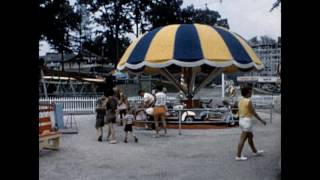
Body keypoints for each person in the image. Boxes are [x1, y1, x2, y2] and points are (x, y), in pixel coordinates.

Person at [236, 86, 267, 161]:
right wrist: (262, 120)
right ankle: (238, 156)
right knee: (242, 139)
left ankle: (255, 151)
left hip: (241, 120)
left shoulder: (240, 100)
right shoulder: (248, 101)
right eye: (250, 92)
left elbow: (238, 111)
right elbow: (254, 113)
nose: (251, 93)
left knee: (250, 137)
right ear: (247, 93)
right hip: (247, 121)